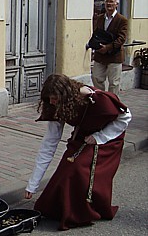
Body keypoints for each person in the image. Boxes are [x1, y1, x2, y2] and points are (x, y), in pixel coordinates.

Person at [24, 74, 131, 231]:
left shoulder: (94, 99)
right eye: (49, 99)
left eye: (55, 98)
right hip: (82, 135)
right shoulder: (53, 105)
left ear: (65, 95)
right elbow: (49, 144)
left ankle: (82, 212)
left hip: (108, 137)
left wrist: (99, 137)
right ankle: (59, 209)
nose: (52, 102)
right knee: (65, 169)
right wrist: (32, 185)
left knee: (78, 169)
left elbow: (125, 117)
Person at [89, 0, 128, 95]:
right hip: (100, 54)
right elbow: (96, 34)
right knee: (96, 77)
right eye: (107, 2)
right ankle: (101, 99)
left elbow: (122, 38)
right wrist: (95, 47)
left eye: (111, 2)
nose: (109, 4)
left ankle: (112, 103)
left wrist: (108, 48)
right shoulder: (100, 18)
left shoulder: (122, 20)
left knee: (114, 83)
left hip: (114, 55)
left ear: (116, 4)